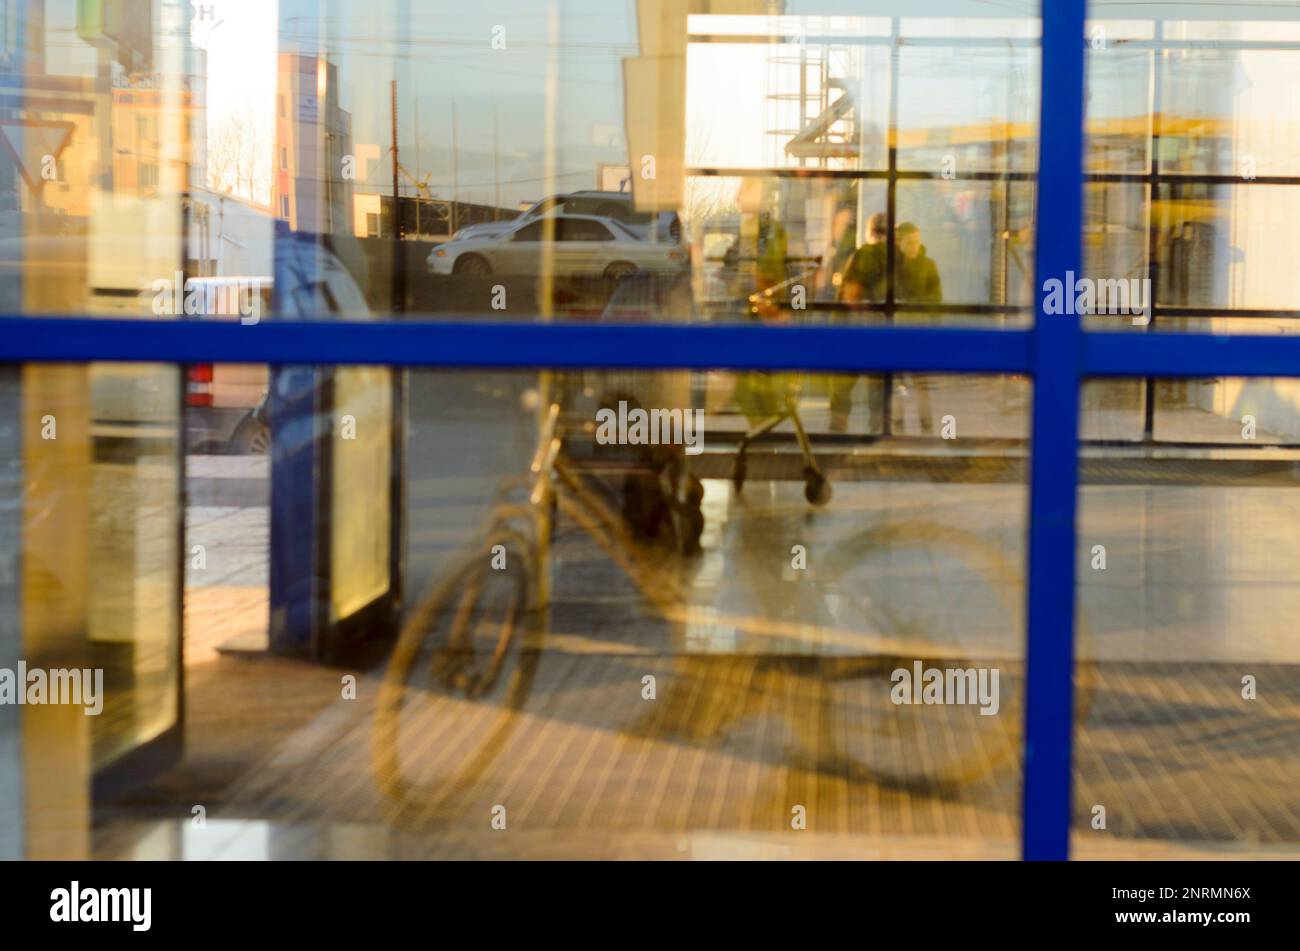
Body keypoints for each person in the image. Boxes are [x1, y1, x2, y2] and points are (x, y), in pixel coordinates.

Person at [828, 212, 889, 432]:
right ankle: (878, 429)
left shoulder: (866, 254)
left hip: (854, 330)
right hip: (882, 331)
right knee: (878, 384)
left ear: (869, 231)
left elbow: (852, 294)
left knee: (843, 382)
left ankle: (838, 427)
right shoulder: (895, 256)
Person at [894, 221, 942, 303]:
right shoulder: (891, 264)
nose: (914, 247)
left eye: (917, 242)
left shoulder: (929, 264)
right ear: (898, 243)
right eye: (910, 243)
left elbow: (936, 297)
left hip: (921, 313)